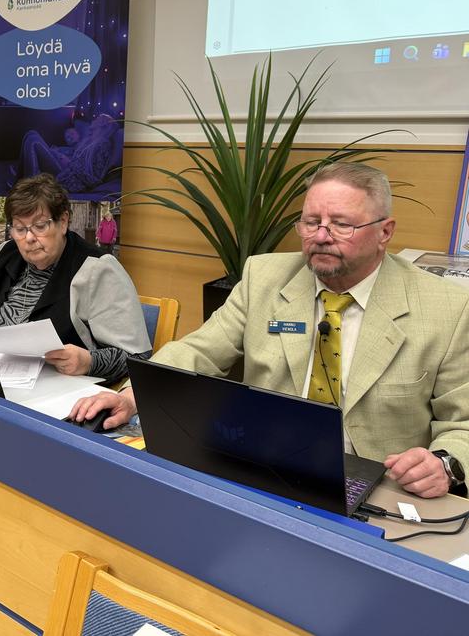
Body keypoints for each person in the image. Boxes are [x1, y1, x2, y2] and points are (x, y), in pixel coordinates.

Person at [70, 163, 469, 499]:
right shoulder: (264, 277)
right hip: (266, 472)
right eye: (311, 222)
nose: (321, 236)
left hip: (381, 490)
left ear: (385, 232)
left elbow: (463, 422)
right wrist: (134, 395)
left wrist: (445, 464)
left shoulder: (446, 308)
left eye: (341, 224)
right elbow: (200, 350)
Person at [0, 173, 151, 381]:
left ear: (63, 222)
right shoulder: (6, 252)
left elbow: (137, 358)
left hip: (62, 389)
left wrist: (89, 361)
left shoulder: (98, 269)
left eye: (40, 226)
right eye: (20, 228)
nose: (29, 238)